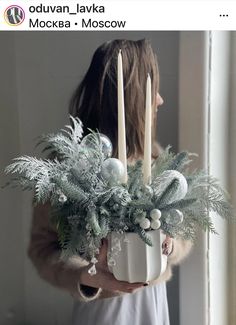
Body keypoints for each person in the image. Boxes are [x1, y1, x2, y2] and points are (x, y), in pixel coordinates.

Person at [28, 39, 192, 325]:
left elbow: (187, 226)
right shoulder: (69, 168)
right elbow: (43, 248)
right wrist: (89, 274)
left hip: (153, 305)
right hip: (103, 310)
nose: (160, 100)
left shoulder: (156, 159)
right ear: (132, 95)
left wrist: (169, 242)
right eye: (153, 89)